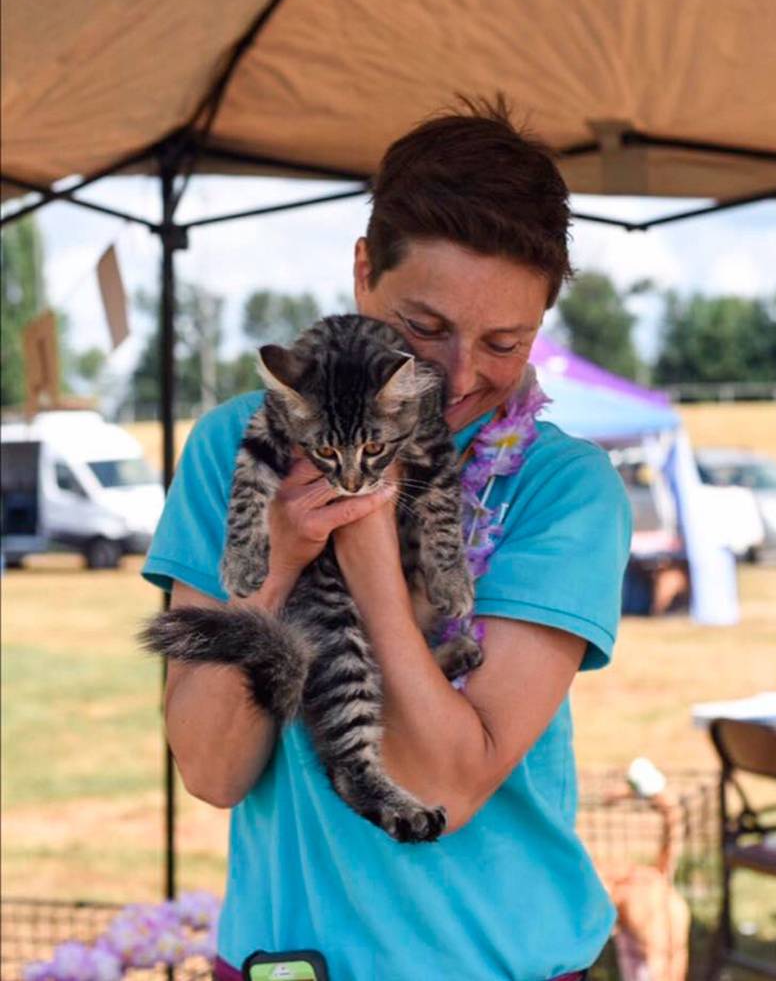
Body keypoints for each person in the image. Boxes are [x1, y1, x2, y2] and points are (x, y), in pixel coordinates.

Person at [142, 98, 632, 981]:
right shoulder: (233, 447)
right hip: (291, 961)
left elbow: (442, 786)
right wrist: (275, 568)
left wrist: (368, 557)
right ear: (364, 271)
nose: (454, 378)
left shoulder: (564, 490)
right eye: (425, 329)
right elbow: (212, 769)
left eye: (505, 342)